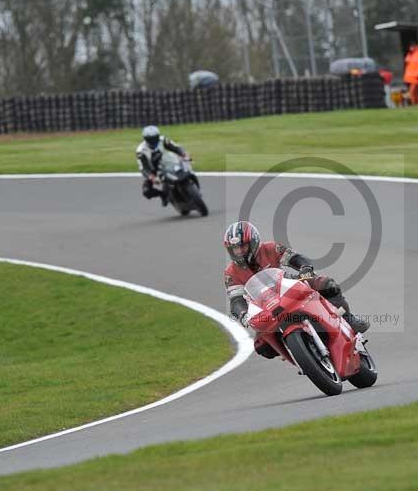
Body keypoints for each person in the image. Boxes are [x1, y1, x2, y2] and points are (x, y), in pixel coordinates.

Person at [222, 221, 370, 359]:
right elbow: (236, 299)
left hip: (287, 285)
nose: (239, 251)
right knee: (262, 347)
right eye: (235, 248)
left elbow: (295, 258)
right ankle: (299, 353)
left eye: (243, 246)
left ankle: (348, 318)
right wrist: (243, 314)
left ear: (253, 242)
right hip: (263, 306)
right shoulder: (231, 273)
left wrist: (304, 268)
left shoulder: (271, 248)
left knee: (326, 284)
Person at [135, 125, 190, 207]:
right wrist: (151, 177)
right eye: (151, 139)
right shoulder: (140, 151)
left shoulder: (163, 139)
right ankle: (163, 195)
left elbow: (176, 147)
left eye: (155, 137)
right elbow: (144, 168)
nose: (153, 141)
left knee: (184, 166)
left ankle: (190, 181)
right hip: (152, 170)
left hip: (167, 161)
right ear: (146, 139)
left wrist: (184, 154)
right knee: (146, 191)